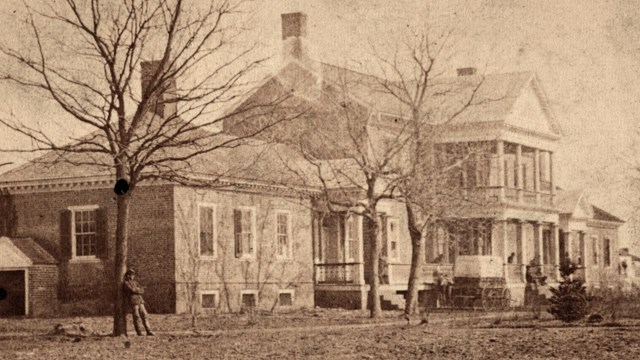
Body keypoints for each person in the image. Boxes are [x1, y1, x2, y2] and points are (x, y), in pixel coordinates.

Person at [123, 269, 155, 336]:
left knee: (145, 315)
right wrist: (138, 290)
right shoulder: (126, 283)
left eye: (133, 275)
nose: (132, 276)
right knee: (136, 317)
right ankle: (139, 332)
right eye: (131, 275)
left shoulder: (135, 282)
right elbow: (132, 290)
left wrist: (137, 290)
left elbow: (142, 289)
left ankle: (148, 331)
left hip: (140, 301)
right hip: (133, 301)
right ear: (128, 275)